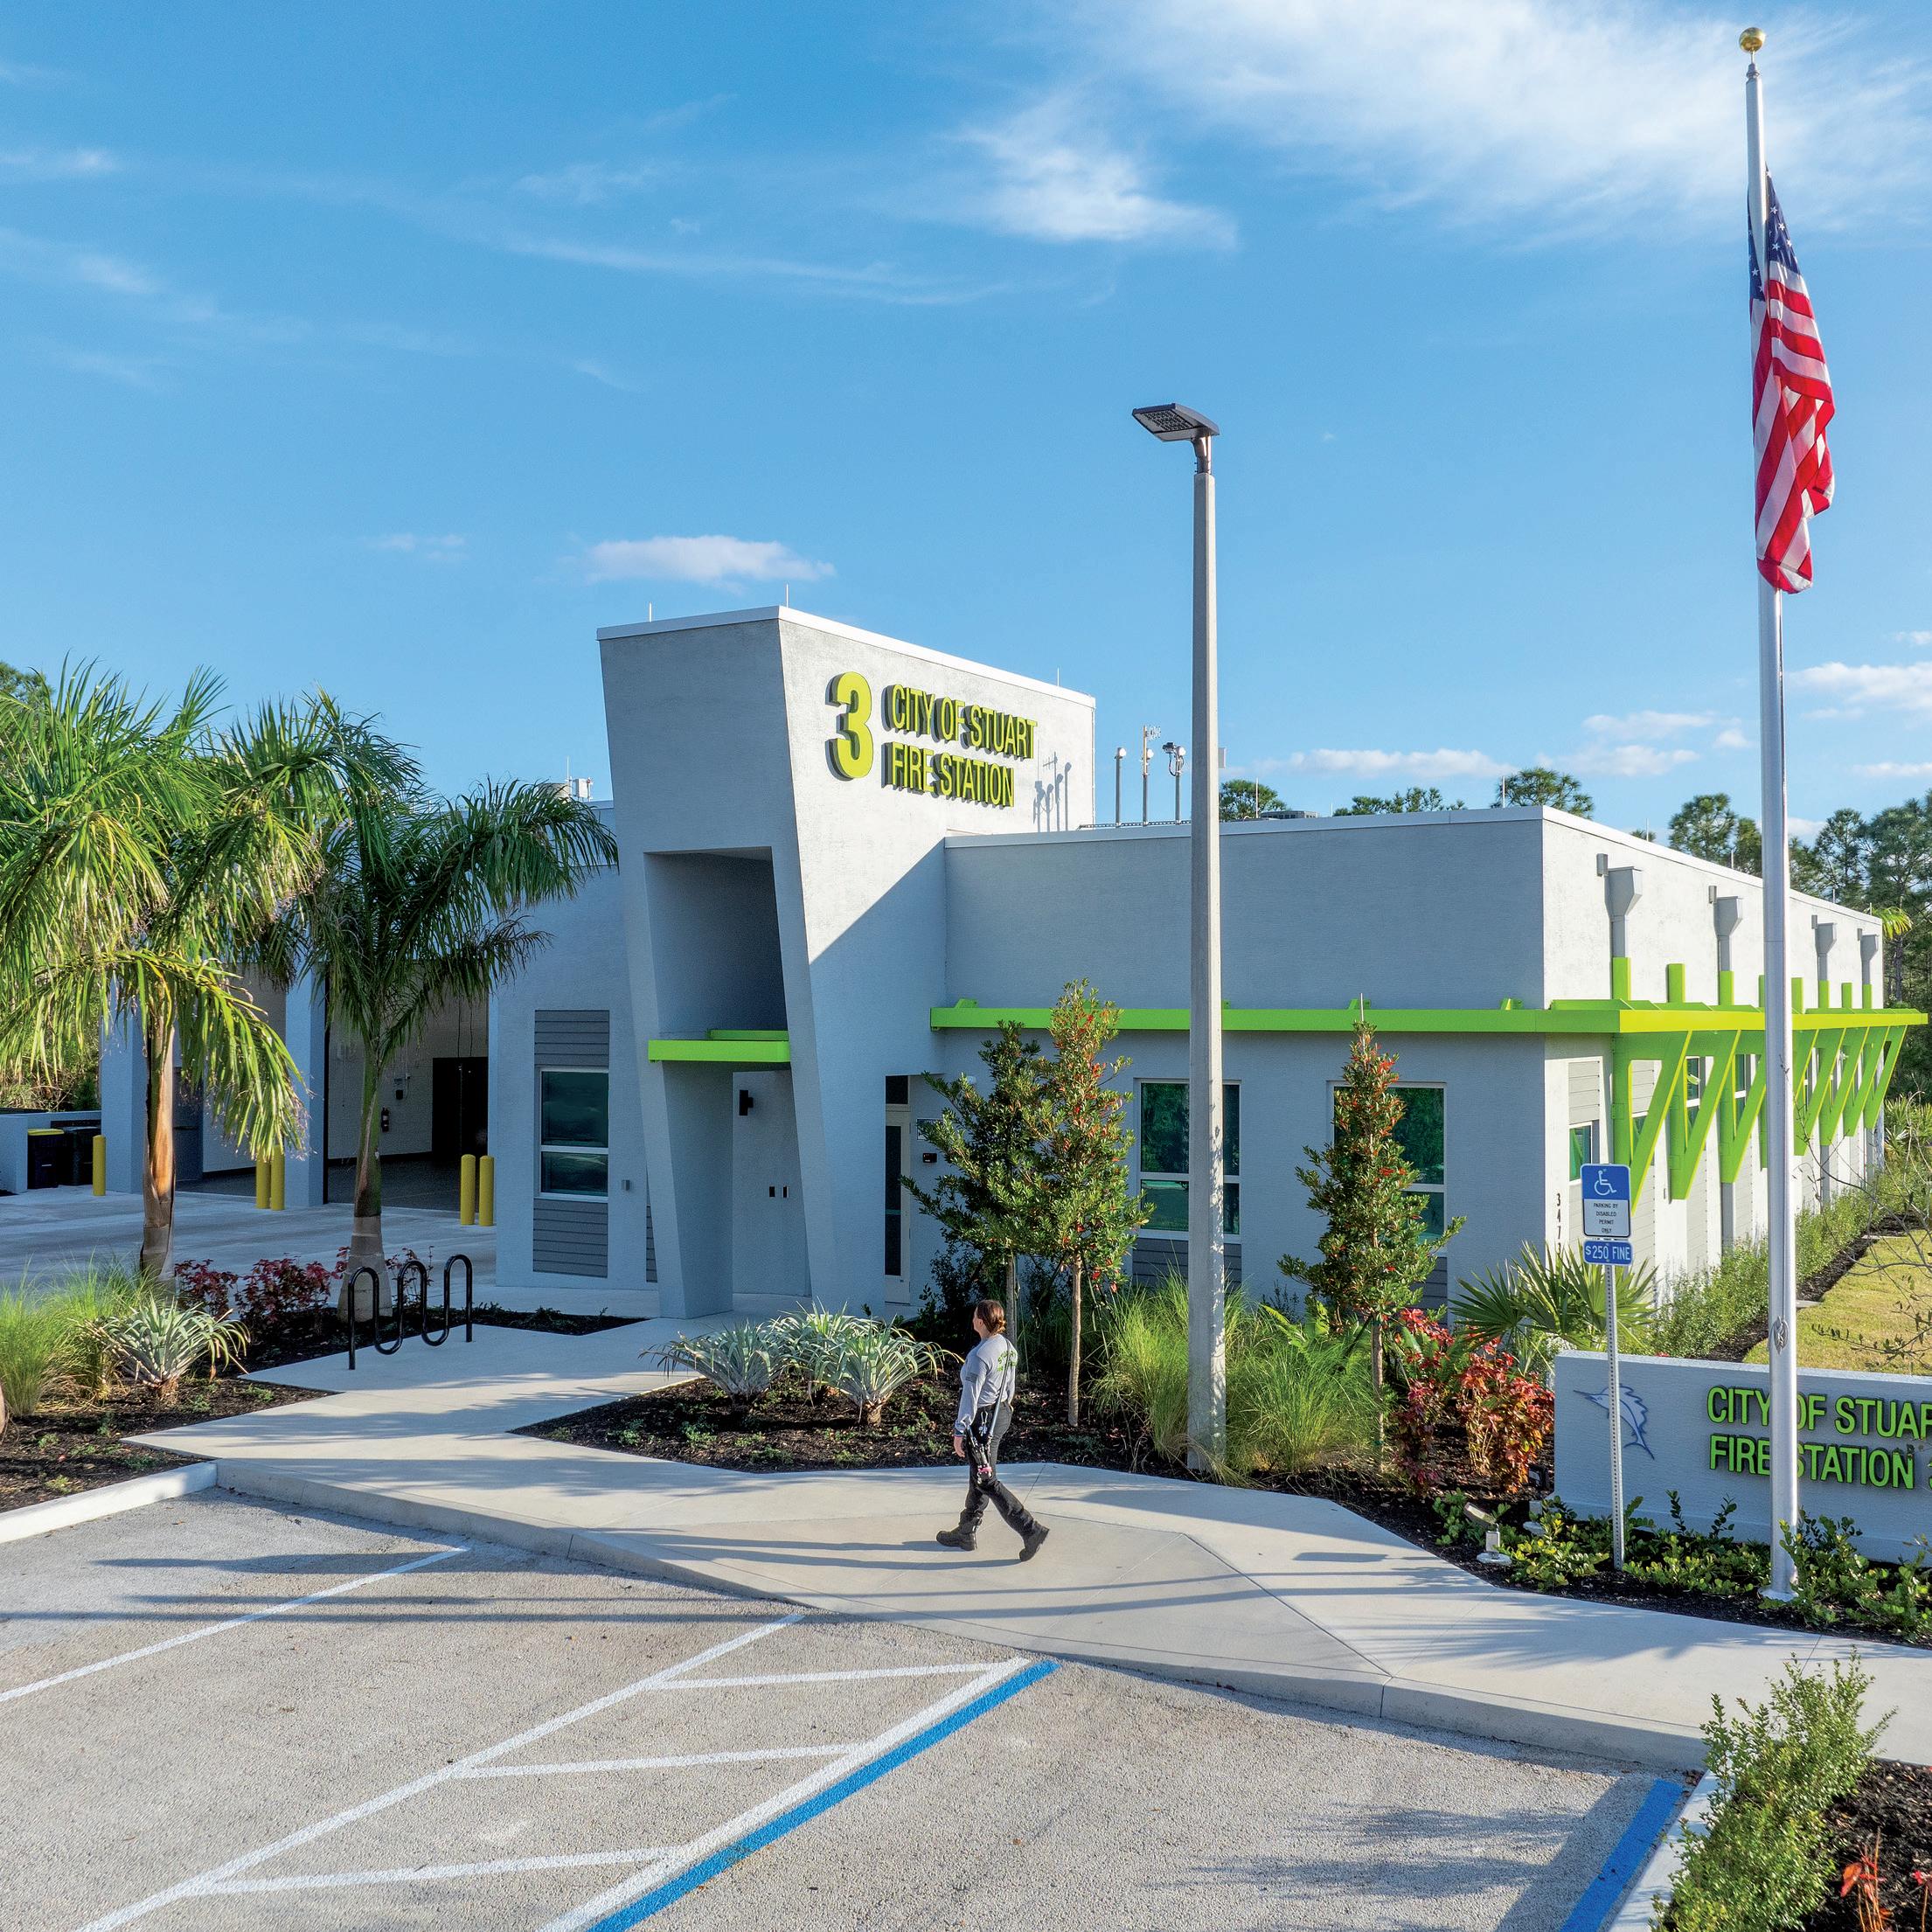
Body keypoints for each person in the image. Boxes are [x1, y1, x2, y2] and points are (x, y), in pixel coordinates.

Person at [936, 1298, 1048, 1560]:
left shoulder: (979, 1356)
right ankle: (966, 1531)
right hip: (1001, 1414)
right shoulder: (1007, 1347)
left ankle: (1030, 1529)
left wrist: (959, 1430)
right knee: (979, 1474)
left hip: (982, 1422)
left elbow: (970, 1397)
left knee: (986, 1479)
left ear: (980, 1321)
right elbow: (1009, 1385)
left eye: (975, 1315)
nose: (972, 1319)